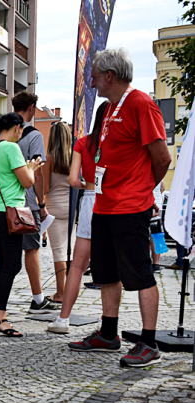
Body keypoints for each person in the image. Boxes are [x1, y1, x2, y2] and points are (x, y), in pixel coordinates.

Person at [66, 48, 171, 368]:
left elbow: (162, 157)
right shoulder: (108, 109)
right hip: (104, 204)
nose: (92, 82)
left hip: (131, 206)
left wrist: (142, 188)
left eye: (95, 77)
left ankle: (149, 342)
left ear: (109, 76)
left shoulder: (140, 103)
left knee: (140, 274)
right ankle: (108, 334)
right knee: (107, 272)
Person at [48, 102, 108, 335]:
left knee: (77, 265)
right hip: (114, 199)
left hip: (90, 198)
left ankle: (63, 319)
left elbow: (74, 181)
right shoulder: (118, 141)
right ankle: (108, 320)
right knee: (110, 264)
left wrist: (88, 185)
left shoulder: (83, 143)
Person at [0, 113, 40, 337]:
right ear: (17, 128)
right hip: (10, 213)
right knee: (12, 265)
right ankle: (1, 318)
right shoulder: (11, 148)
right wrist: (32, 168)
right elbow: (27, 182)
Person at [12, 91, 60, 312]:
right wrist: (41, 204)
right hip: (27, 201)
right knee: (31, 250)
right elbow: (38, 173)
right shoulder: (34, 136)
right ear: (31, 107)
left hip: (4, 200)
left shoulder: (3, 134)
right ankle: (38, 299)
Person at [42, 121, 73, 303]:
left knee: (58, 252)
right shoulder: (75, 157)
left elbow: (45, 188)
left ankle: (60, 293)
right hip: (72, 208)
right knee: (70, 250)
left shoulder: (50, 158)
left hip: (54, 207)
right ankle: (69, 290)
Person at [151, 180, 165, 272]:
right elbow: (163, 188)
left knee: (144, 235)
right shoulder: (159, 171)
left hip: (147, 204)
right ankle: (156, 264)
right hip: (158, 204)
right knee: (156, 235)